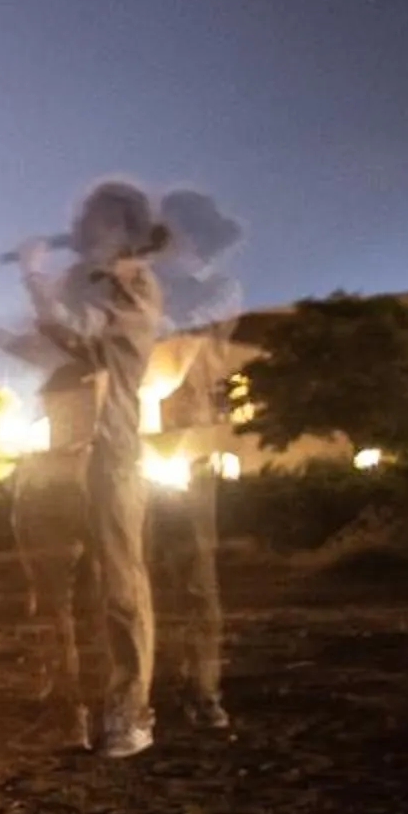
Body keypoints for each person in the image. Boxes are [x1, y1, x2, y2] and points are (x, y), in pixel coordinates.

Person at [16, 179, 168, 759]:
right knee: (57, 589)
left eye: (100, 225)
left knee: (120, 586)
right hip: (63, 452)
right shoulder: (89, 286)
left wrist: (34, 277)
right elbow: (56, 349)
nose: (85, 237)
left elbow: (79, 337)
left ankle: (130, 715)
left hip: (112, 454)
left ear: (127, 229)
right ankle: (68, 715)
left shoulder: (137, 290)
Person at [149, 187, 246, 735]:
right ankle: (152, 683)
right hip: (139, 443)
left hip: (187, 444)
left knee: (196, 574)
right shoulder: (142, 288)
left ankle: (203, 688)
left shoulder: (216, 291)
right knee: (137, 574)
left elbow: (186, 340)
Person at [8, 356, 107, 752]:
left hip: (57, 518)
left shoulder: (50, 468)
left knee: (55, 617)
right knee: (99, 615)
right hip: (90, 507)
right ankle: (103, 717)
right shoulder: (105, 461)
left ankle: (69, 718)